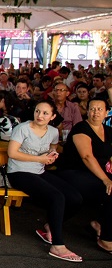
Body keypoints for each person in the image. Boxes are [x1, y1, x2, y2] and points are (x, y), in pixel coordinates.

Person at [6, 99, 83, 262]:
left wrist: (52, 153)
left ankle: (50, 226)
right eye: (37, 111)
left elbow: (53, 146)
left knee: (75, 197)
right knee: (57, 196)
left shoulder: (53, 131)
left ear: (52, 116)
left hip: (39, 171)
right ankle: (57, 245)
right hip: (19, 172)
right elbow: (12, 153)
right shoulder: (23, 128)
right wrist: (39, 159)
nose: (40, 115)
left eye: (45, 113)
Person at [54, 99, 112, 255]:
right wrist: (106, 179)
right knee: (109, 189)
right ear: (87, 111)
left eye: (100, 109)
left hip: (97, 173)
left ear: (107, 113)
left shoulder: (109, 130)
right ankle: (106, 239)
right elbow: (87, 156)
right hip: (74, 172)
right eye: (92, 109)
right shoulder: (81, 128)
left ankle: (100, 224)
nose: (96, 112)